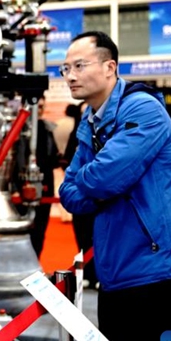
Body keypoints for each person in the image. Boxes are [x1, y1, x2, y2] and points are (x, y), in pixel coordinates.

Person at [58, 31, 171, 341]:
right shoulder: (89, 123)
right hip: (117, 279)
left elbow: (100, 180)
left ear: (110, 67)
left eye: (79, 65)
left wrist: (96, 183)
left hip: (168, 278)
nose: (71, 76)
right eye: (65, 68)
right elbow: (70, 194)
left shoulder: (144, 110)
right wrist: (97, 184)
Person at [14, 96, 59, 258]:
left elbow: (52, 156)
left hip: (45, 184)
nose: (38, 110)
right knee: (22, 228)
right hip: (21, 185)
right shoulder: (18, 130)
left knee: (40, 228)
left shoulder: (47, 129)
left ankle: (35, 261)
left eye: (41, 107)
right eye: (35, 106)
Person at [59, 101, 98, 288]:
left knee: (99, 238)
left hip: (99, 198)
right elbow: (69, 168)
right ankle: (87, 274)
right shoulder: (77, 137)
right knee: (83, 238)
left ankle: (98, 275)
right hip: (80, 198)